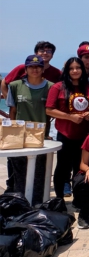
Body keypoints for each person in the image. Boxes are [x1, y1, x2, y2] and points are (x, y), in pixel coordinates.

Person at [6, 55, 53, 205]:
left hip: (41, 137)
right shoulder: (14, 86)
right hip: (19, 136)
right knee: (19, 171)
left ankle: (37, 203)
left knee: (39, 171)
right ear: (25, 69)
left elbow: (52, 112)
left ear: (42, 69)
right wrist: (11, 133)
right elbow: (12, 111)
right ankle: (20, 203)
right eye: (31, 67)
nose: (35, 69)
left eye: (38, 66)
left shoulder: (51, 87)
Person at [46, 57, 89, 198]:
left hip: (84, 134)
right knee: (62, 168)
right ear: (67, 70)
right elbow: (49, 110)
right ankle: (59, 199)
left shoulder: (88, 86)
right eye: (71, 68)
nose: (75, 71)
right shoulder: (58, 87)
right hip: (65, 134)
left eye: (78, 68)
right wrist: (70, 117)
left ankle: (78, 199)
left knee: (80, 168)